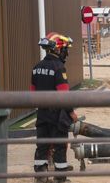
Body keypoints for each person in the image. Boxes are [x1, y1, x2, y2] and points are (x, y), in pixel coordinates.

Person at [32, 32, 78, 183]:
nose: (66, 53)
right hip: (57, 117)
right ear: (57, 49)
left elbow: (33, 93)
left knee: (42, 146)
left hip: (42, 115)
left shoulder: (36, 68)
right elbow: (64, 95)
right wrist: (71, 112)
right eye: (65, 49)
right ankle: (60, 178)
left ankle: (40, 177)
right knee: (59, 147)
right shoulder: (59, 68)